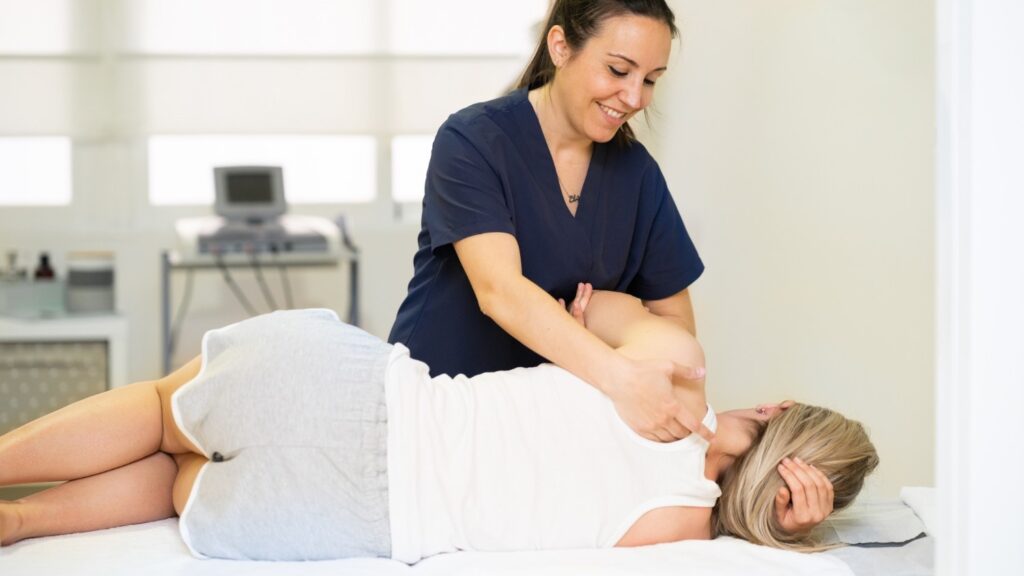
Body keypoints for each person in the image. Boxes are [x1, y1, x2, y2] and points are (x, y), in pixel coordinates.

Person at [0, 291, 878, 561]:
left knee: (165, 412)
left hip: (368, 396)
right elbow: (724, 532)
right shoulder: (687, 526)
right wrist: (776, 527)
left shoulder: (673, 366)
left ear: (772, 409)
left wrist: (600, 322)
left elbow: (602, 308)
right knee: (170, 482)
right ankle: (18, 523)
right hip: (358, 516)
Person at [389, 0, 711, 445]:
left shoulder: (636, 174)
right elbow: (501, 292)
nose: (635, 97)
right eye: (619, 71)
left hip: (543, 431)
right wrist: (614, 370)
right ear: (560, 46)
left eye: (651, 80)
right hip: (438, 407)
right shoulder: (473, 140)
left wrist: (603, 326)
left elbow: (676, 327)